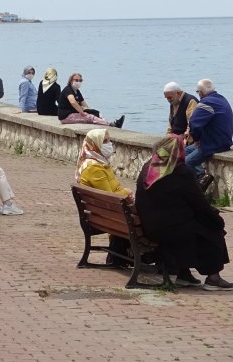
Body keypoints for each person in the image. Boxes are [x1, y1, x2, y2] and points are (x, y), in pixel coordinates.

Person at [135, 135, 233, 291]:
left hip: (149, 226)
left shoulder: (149, 167)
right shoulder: (180, 172)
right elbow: (199, 204)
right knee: (213, 229)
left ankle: (182, 273)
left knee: (200, 224)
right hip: (171, 229)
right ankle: (213, 278)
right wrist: (216, 220)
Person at [76, 128, 131, 266]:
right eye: (105, 141)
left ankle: (121, 254)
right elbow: (110, 198)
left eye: (109, 140)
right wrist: (127, 193)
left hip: (103, 213)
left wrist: (124, 192)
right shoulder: (94, 168)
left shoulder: (100, 163)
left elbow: (114, 189)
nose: (109, 144)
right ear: (94, 145)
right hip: (105, 215)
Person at [187, 79, 233, 179]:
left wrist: (196, 139)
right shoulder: (222, 99)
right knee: (184, 151)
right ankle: (200, 173)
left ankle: (199, 182)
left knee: (185, 164)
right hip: (225, 140)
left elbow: (194, 124)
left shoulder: (206, 102)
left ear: (201, 93)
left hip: (213, 144)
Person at [57, 73, 125, 128]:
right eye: (76, 80)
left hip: (72, 113)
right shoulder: (68, 90)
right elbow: (73, 102)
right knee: (90, 117)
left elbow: (83, 103)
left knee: (95, 113)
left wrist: (91, 111)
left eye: (80, 80)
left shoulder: (77, 91)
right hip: (66, 116)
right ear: (71, 81)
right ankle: (113, 124)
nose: (78, 82)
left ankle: (108, 122)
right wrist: (82, 113)